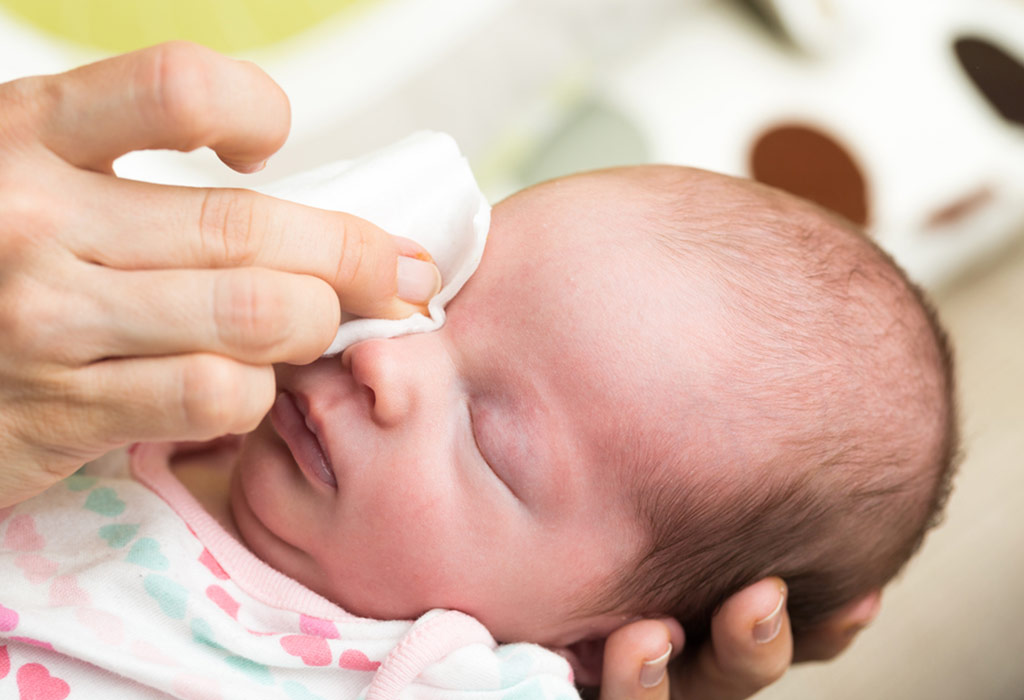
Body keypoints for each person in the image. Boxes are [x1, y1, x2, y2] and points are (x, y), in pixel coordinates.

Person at [0, 42, 887, 699]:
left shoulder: (453, 679)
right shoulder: (176, 378)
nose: (383, 357)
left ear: (583, 643)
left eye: (490, 437)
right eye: (444, 295)